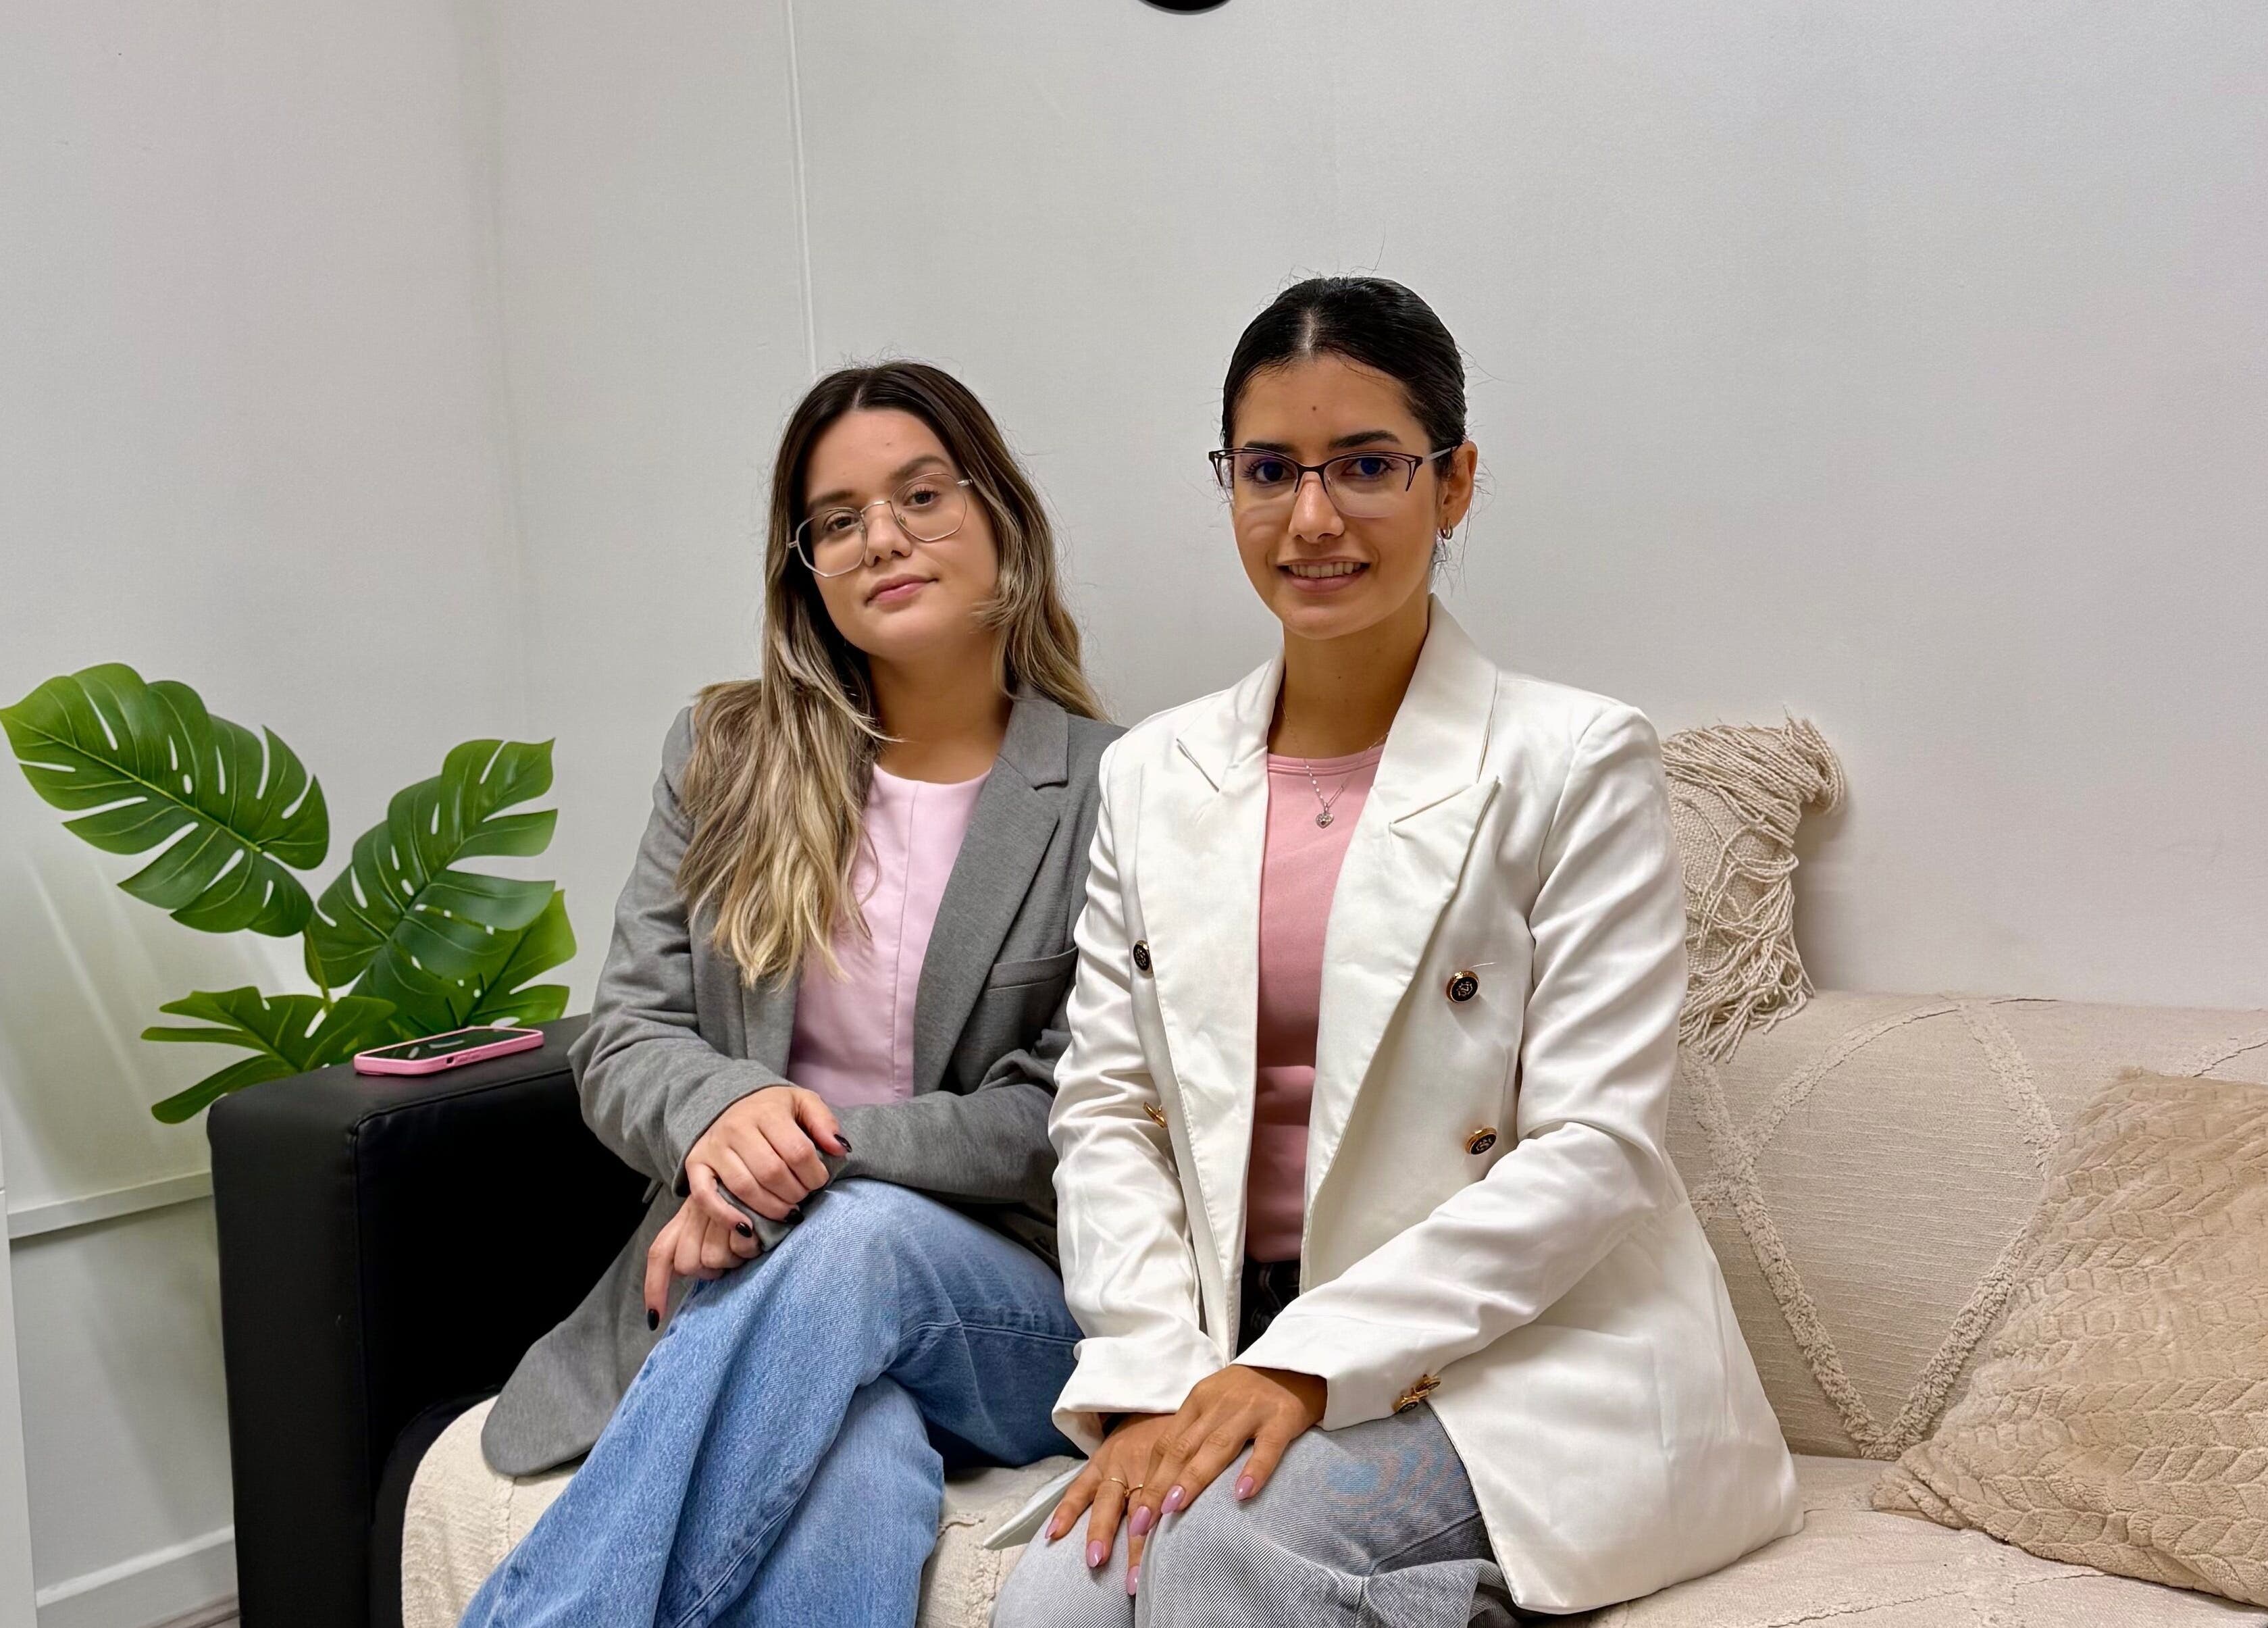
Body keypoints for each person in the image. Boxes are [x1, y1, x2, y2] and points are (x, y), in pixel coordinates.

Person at [995, 278, 1800, 1627]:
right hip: (1224, 1336)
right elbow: (1107, 1109)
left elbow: (1593, 1152)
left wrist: (1307, 1367)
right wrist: (1150, 1377)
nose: (1311, 518)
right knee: (1058, 1601)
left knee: (1218, 1555)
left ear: (1453, 482)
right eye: (1268, 472)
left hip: (1514, 1349)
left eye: (1365, 465)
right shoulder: (1148, 776)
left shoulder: (1573, 759)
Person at [460, 361, 1119, 1627]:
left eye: (921, 495)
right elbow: (627, 1034)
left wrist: (785, 1162)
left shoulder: (1114, 783)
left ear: (1000, 521)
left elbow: (1065, 1107)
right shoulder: (725, 755)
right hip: (749, 1291)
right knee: (851, 1471)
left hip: (1004, 1304)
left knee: (860, 1237)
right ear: (803, 565)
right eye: (836, 518)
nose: (882, 537)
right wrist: (715, 1115)